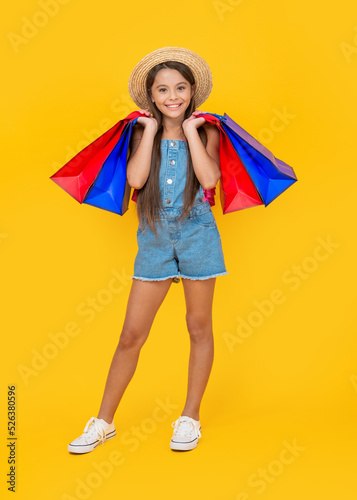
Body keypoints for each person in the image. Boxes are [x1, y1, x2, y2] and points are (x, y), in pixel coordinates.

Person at [68, 47, 228, 454]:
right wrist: (152, 131)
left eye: (180, 88)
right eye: (163, 90)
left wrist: (192, 132)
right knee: (131, 335)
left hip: (198, 235)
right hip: (154, 239)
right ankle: (103, 422)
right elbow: (136, 179)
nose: (172, 96)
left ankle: (189, 417)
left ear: (192, 92)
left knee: (198, 327)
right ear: (151, 97)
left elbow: (210, 179)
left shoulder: (208, 130)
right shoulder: (140, 133)